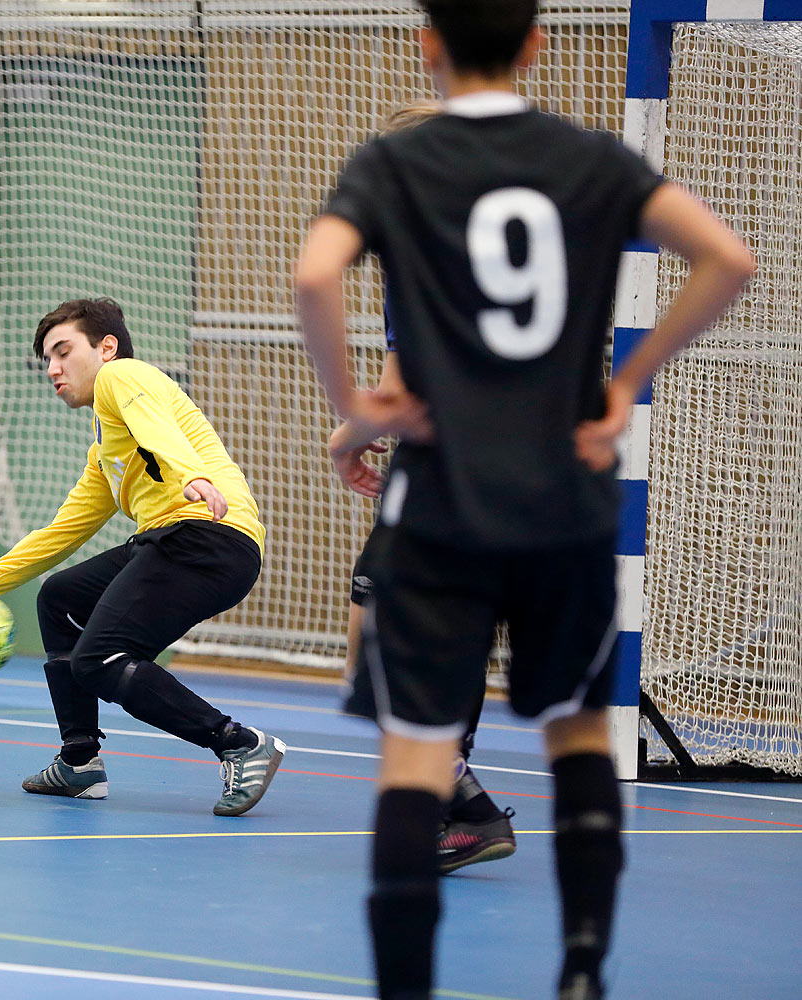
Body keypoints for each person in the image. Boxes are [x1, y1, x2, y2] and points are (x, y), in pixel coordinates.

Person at [293, 2, 753, 997]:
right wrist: (629, 385)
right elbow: (731, 259)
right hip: (566, 500)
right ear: (537, 42)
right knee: (582, 734)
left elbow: (313, 273)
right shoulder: (592, 160)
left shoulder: (393, 167)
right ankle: (583, 967)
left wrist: (352, 409)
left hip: (444, 497)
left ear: (428, 41)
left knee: (412, 755)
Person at [0, 297, 285, 816]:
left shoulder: (124, 376)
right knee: (60, 597)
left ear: (106, 348)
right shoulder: (107, 451)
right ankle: (79, 761)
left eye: (63, 352)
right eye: (46, 359)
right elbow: (61, 532)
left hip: (206, 536)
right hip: (178, 540)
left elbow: (162, 431)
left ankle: (238, 743)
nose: (53, 368)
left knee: (98, 659)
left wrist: (190, 475)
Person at [333, 100, 516, 875]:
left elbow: (407, 374)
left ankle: (466, 806)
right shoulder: (496, 249)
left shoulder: (426, 254)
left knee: (373, 644)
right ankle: (451, 804)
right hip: (514, 470)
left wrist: (346, 435)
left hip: (448, 470)